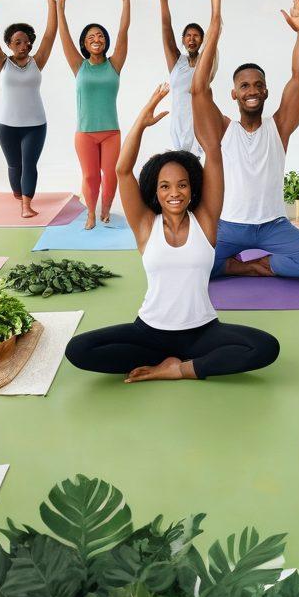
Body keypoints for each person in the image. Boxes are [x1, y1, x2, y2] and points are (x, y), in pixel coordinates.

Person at [65, 79, 279, 382]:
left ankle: (178, 369)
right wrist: (142, 121)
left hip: (202, 332)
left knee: (265, 347)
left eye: (182, 184)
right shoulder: (144, 226)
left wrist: (199, 97)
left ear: (192, 188)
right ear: (155, 190)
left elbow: (213, 154)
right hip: (150, 332)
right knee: (78, 349)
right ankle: (169, 361)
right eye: (165, 186)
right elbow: (123, 171)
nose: (174, 193)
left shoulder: (205, 221)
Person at [190, 0, 299, 280]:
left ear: (266, 90)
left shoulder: (278, 127)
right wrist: (216, 10)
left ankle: (254, 264)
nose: (252, 90)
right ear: (234, 94)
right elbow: (199, 89)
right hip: (229, 226)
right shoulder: (223, 130)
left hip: (274, 227)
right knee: (193, 266)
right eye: (244, 86)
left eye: (258, 85)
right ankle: (245, 266)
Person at [56, 0, 133, 230]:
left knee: (110, 175)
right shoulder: (79, 66)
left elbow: (123, 31)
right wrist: (60, 6)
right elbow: (64, 35)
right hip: (85, 133)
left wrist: (126, 0)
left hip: (111, 132)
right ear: (85, 43)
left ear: (105, 41)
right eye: (91, 36)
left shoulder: (115, 64)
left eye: (100, 35)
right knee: (90, 176)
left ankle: (106, 210)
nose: (96, 38)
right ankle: (90, 213)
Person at [0, 0, 58, 218]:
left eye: (26, 41)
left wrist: (51, 2)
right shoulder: (2, 63)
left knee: (29, 164)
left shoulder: (38, 62)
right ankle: (19, 194)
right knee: (15, 166)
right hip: (7, 126)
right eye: (17, 42)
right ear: (9, 45)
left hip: (35, 125)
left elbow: (50, 34)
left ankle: (26, 204)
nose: (23, 45)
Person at [153, 0, 217, 158]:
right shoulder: (177, 63)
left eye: (196, 36)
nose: (192, 39)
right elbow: (166, 29)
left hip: (201, 130)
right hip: (178, 130)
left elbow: (215, 28)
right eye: (188, 35)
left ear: (202, 40)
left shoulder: (206, 63)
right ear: (183, 40)